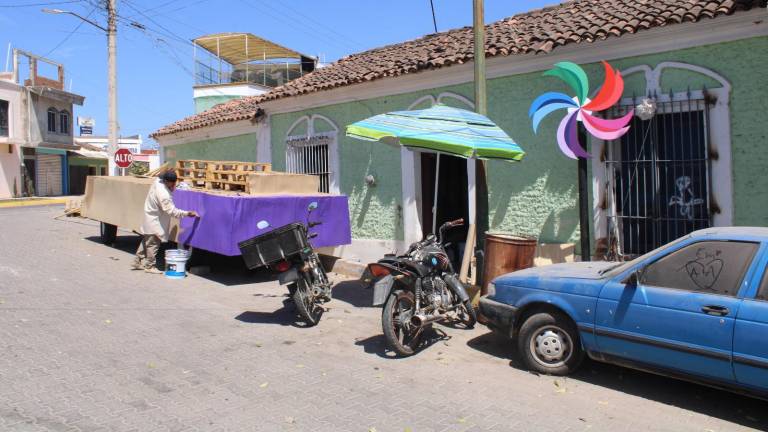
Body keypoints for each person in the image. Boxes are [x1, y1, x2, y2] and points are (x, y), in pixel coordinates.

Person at [132, 171, 199, 273]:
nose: (174, 185)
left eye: (174, 182)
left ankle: (137, 261)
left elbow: (160, 175)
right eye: (172, 183)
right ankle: (150, 266)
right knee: (153, 244)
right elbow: (172, 211)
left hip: (150, 216)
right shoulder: (164, 195)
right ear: (167, 182)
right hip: (155, 221)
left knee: (146, 241)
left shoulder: (158, 182)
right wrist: (187, 213)